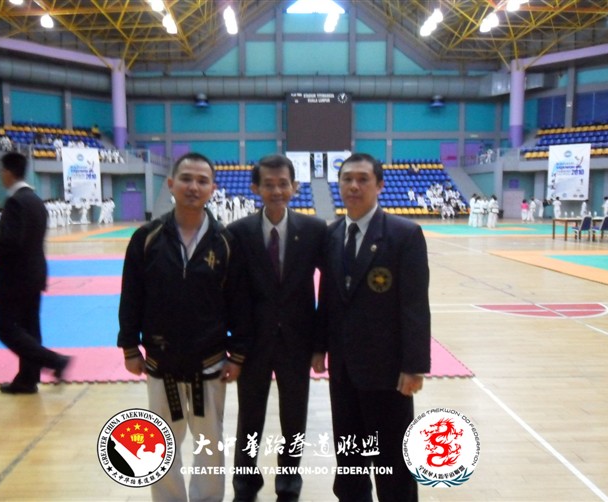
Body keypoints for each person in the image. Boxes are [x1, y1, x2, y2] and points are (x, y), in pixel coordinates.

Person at [117, 152, 251, 502]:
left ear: (213, 188)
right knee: (159, 441)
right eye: (186, 178)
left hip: (210, 361)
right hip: (160, 359)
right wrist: (129, 346)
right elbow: (131, 294)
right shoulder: (147, 237)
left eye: (202, 181)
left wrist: (238, 354)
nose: (194, 186)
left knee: (210, 442)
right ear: (170, 183)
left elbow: (239, 302)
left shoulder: (225, 241)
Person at [313, 153, 431, 502]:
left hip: (388, 370)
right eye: (347, 179)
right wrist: (319, 346)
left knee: (392, 460)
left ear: (379, 185)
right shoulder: (332, 234)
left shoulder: (404, 234)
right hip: (343, 369)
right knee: (349, 456)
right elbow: (327, 295)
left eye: (363, 179)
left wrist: (414, 366)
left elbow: (414, 305)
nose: (354, 186)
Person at [227, 154, 327, 502]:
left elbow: (329, 289)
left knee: (294, 419)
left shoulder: (314, 231)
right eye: (268, 184)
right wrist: (234, 346)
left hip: (297, 342)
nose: (276, 191)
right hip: (252, 342)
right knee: (249, 419)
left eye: (283, 184)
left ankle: (288, 485)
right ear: (255, 188)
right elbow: (232, 293)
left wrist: (320, 344)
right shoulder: (238, 233)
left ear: (295, 187)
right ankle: (245, 485)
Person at [0, 152, 71, 394]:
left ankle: (55, 361)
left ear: (9, 172)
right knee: (29, 328)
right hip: (34, 273)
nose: (0, 175)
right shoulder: (35, 200)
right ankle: (27, 379)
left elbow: (14, 242)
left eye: (1, 171)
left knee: (4, 327)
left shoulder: (16, 202)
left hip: (14, 277)